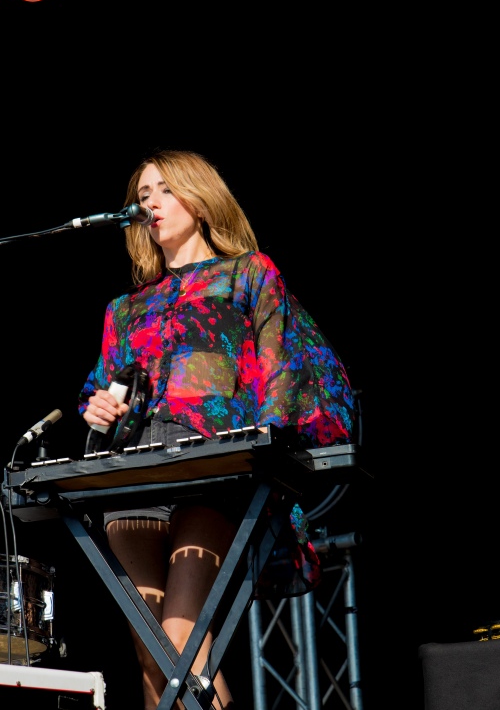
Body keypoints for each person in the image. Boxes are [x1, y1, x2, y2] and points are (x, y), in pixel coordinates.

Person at [78, 149, 357, 710]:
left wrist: (270, 456)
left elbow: (284, 369)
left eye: (164, 189)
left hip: (213, 464)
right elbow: (103, 389)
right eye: (143, 195)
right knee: (156, 659)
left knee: (184, 646)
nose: (150, 203)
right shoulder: (125, 309)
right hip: (133, 470)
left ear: (200, 198)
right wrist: (98, 410)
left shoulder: (249, 273)